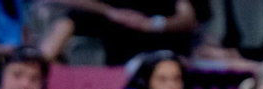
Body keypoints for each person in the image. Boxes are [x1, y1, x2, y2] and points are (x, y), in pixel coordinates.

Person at [49, 1, 200, 66]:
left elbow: (188, 18)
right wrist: (110, 12)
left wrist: (152, 24)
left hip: (161, 55)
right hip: (119, 62)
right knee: (66, 23)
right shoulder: (105, 9)